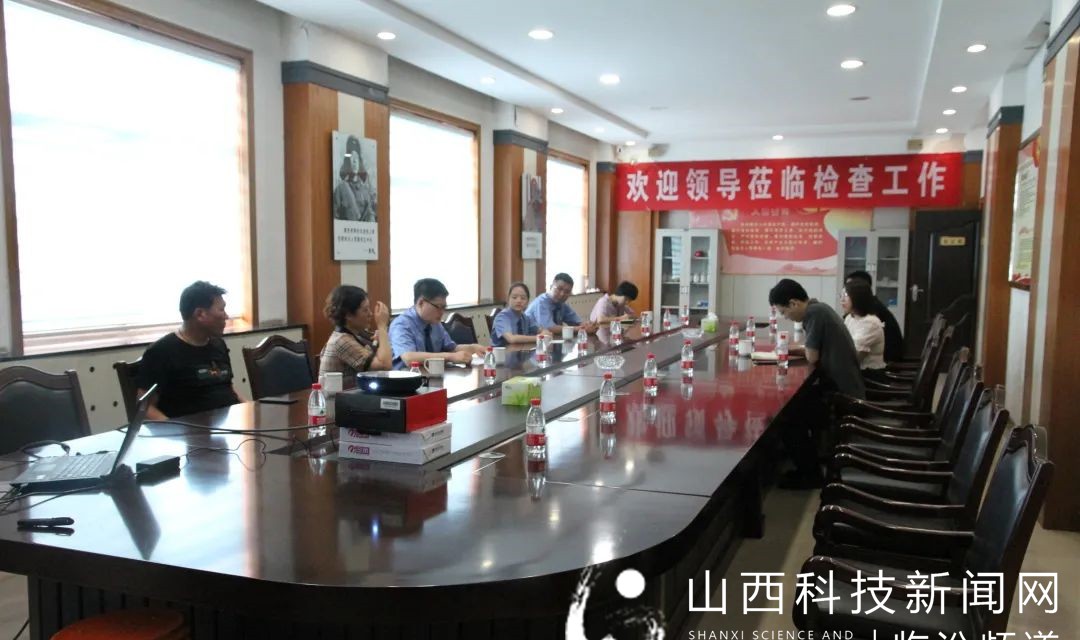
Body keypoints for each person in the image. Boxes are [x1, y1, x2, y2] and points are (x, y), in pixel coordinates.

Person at [769, 279, 865, 489]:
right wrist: (792, 350)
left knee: (788, 416)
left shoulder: (814, 313)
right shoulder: (819, 308)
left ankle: (810, 475)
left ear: (794, 303)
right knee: (797, 407)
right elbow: (814, 349)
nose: (786, 317)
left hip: (843, 395)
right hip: (845, 386)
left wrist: (799, 350)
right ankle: (808, 463)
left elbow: (812, 356)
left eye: (784, 312)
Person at [136, 281, 240, 420]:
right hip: (190, 431)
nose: (226, 316)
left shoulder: (218, 345)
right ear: (200, 314)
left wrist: (252, 410)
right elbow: (145, 407)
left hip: (229, 426)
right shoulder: (161, 352)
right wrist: (173, 428)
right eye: (221, 310)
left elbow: (228, 389)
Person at [389, 278, 485, 369]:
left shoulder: (434, 323)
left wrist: (472, 348)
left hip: (433, 375)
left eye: (444, 307)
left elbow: (451, 348)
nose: (442, 312)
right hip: (407, 377)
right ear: (421, 303)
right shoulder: (401, 325)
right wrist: (450, 357)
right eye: (438, 307)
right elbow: (409, 358)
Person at [319, 285, 392, 377]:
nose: (370, 314)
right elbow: (384, 366)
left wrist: (379, 340)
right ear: (348, 315)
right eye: (365, 310)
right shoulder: (341, 340)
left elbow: (376, 359)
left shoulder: (354, 335)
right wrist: (382, 326)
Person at [844, 270, 904, 362]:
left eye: (849, 289)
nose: (843, 298)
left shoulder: (871, 314)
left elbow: (854, 356)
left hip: (888, 361)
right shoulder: (854, 314)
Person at [525, 273, 597, 333]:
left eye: (567, 292)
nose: (562, 294)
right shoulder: (542, 302)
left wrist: (588, 325)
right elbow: (549, 328)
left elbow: (576, 321)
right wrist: (580, 329)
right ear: (551, 286)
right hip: (528, 341)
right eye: (559, 289)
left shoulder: (561, 304)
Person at [840, 281, 887, 374]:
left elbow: (855, 357)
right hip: (854, 372)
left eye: (845, 296)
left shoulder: (870, 323)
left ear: (858, 297)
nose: (842, 300)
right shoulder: (850, 318)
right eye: (841, 296)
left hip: (869, 375)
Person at [491, 282, 550, 347]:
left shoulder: (525, 317)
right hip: (502, 352)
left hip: (520, 351)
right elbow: (512, 339)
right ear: (508, 299)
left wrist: (544, 332)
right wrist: (539, 338)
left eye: (523, 298)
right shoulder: (502, 317)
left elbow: (539, 329)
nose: (519, 301)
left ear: (527, 302)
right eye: (514, 297)